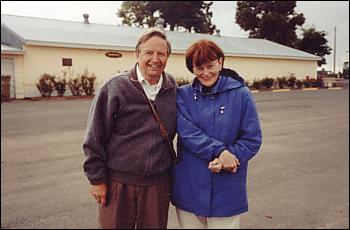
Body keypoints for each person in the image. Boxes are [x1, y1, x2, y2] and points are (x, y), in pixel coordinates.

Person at [82, 28, 178, 229]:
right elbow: (95, 136)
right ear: (137, 54)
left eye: (161, 53)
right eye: (149, 52)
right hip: (119, 183)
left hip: (157, 185)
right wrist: (96, 179)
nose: (155, 58)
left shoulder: (173, 89)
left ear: (168, 57)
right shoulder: (115, 87)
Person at [171, 39, 262, 229]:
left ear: (220, 62)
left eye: (210, 66)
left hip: (227, 189)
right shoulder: (183, 95)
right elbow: (187, 133)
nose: (206, 73)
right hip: (190, 186)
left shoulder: (241, 94)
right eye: (199, 67)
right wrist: (219, 152)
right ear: (192, 68)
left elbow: (252, 138)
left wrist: (228, 158)